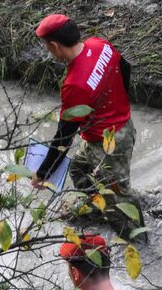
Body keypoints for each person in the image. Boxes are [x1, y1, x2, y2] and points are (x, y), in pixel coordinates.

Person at [32, 14, 146, 242]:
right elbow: (125, 67)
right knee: (79, 170)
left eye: (47, 47)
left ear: (55, 45)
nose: (48, 51)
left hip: (108, 145)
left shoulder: (74, 84)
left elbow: (64, 136)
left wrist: (42, 173)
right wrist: (117, 104)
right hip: (120, 125)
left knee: (120, 201)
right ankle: (98, 207)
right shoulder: (100, 45)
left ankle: (139, 243)